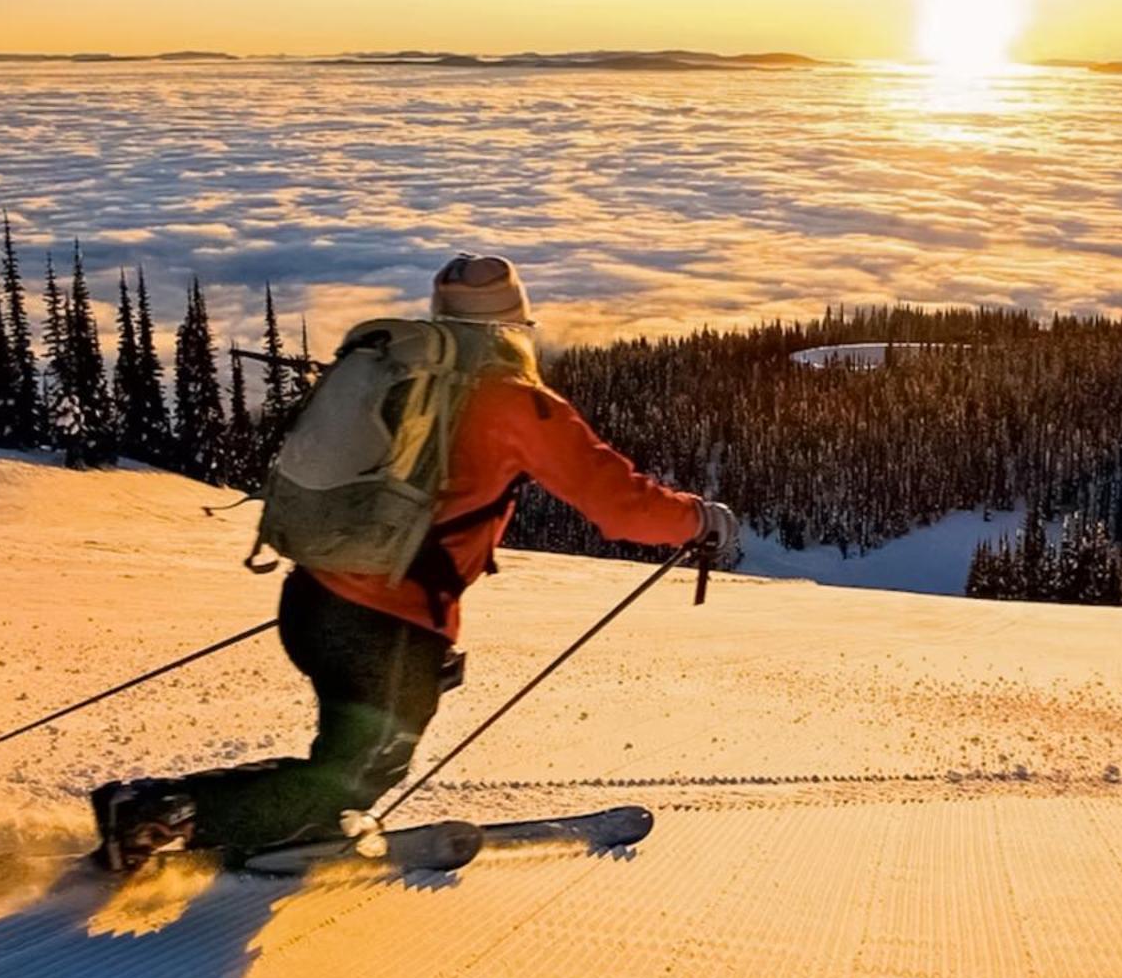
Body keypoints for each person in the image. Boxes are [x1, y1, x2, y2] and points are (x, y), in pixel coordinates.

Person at [93, 255, 737, 868]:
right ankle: (174, 815)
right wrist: (700, 518)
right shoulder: (516, 402)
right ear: (515, 325)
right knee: (361, 769)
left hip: (314, 596)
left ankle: (208, 817)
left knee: (348, 759)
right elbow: (623, 507)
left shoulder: (397, 374)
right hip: (387, 623)